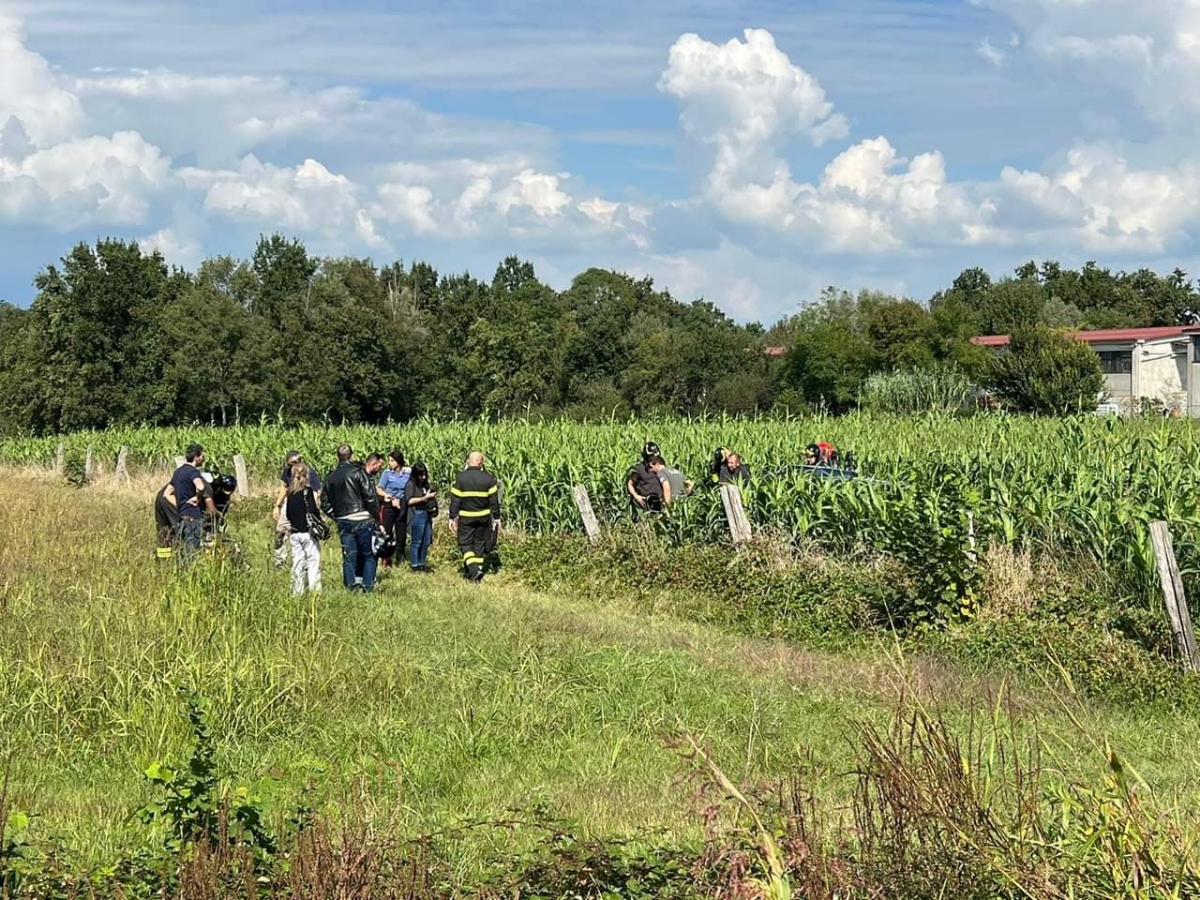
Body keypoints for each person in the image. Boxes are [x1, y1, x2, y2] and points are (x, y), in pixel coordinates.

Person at [320, 445, 381, 593]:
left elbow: (324, 504)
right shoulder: (358, 472)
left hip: (343, 520)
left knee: (349, 555)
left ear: (338, 457)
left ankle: (351, 587)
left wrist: (337, 516)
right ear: (351, 456)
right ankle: (367, 587)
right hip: (362, 518)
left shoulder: (330, 477)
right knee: (369, 554)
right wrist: (376, 518)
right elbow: (370, 497)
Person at [449, 451, 500, 583]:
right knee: (479, 544)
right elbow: (494, 501)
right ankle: (476, 575)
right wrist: (496, 517)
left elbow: (456, 500)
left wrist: (452, 516)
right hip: (483, 517)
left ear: (468, 461)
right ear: (481, 462)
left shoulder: (461, 478)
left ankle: (473, 569)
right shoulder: (489, 478)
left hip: (466, 517)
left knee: (465, 544)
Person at [273, 450, 320, 570]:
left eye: (293, 463)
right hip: (290, 502)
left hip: (305, 501)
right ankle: (279, 561)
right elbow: (284, 487)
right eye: (289, 464)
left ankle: (305, 562)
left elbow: (316, 492)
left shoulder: (309, 472)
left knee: (304, 534)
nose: (291, 466)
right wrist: (277, 505)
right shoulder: (287, 472)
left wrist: (311, 511)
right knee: (280, 532)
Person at [170, 444, 217, 563]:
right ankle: (191, 577)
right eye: (202, 455)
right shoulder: (193, 472)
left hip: (182, 517)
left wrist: (181, 505)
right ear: (197, 457)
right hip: (193, 517)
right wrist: (197, 497)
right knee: (192, 552)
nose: (203, 458)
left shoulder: (177, 472)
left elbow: (167, 494)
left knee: (183, 552)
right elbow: (201, 487)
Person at [284, 461, 322, 595]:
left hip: (294, 533)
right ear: (307, 475)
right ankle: (315, 591)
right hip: (307, 532)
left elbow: (288, 513)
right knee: (313, 561)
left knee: (297, 562)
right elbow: (312, 510)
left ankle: (296, 591)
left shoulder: (290, 492)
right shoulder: (307, 491)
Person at [376, 450, 411, 569]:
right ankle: (386, 559)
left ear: (398, 461)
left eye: (392, 461)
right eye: (389, 461)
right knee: (388, 532)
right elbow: (379, 488)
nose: (390, 463)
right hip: (389, 505)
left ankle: (400, 557)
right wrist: (388, 496)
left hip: (402, 505)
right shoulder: (387, 474)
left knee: (401, 534)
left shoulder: (407, 473)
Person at [404, 461, 437, 571]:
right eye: (420, 475)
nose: (423, 477)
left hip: (426, 513)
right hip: (417, 514)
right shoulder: (410, 484)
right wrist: (424, 498)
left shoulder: (425, 484)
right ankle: (415, 564)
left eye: (424, 474)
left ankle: (422, 563)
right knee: (417, 541)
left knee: (426, 541)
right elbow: (409, 501)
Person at [626, 441, 664, 518]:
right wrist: (636, 496)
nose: (655, 460)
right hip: (644, 505)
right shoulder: (640, 468)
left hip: (660, 504)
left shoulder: (660, 465)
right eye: (652, 458)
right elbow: (630, 483)